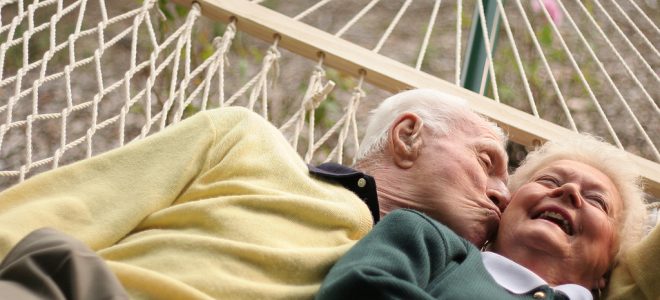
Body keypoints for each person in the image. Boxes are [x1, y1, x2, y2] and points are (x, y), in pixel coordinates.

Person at [0, 89, 509, 299]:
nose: (503, 194)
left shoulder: (420, 280)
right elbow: (56, 212)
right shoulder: (244, 142)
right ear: (408, 136)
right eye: (487, 163)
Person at [317, 134, 646, 299]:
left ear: (607, 269)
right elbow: (358, 289)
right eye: (549, 181)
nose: (569, 192)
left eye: (596, 200)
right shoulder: (429, 241)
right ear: (504, 209)